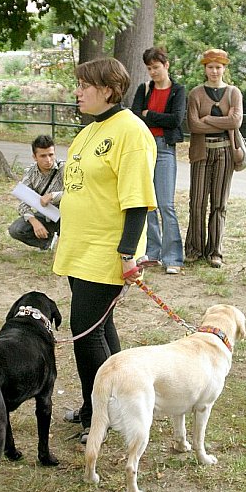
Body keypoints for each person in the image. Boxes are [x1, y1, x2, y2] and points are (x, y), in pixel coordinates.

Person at [53, 57, 157, 443]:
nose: (77, 91)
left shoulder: (131, 132)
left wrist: (128, 254)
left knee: (86, 333)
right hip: (80, 248)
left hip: (107, 250)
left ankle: (101, 414)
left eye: (84, 85)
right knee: (100, 328)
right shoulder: (90, 130)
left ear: (109, 90)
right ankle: (104, 404)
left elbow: (137, 201)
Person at [185, 48, 243, 268]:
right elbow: (193, 125)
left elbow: (235, 121)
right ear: (205, 68)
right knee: (197, 201)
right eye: (210, 67)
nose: (214, 71)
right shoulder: (196, 94)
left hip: (225, 151)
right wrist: (219, 120)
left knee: (219, 203)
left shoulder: (233, 93)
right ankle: (194, 248)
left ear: (224, 68)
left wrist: (207, 118)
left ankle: (215, 251)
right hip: (201, 151)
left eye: (218, 67)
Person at [131, 46, 186, 274]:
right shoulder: (144, 89)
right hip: (144, 147)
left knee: (166, 204)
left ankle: (173, 257)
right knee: (148, 204)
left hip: (164, 149)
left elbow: (176, 119)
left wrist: (149, 115)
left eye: (156, 67)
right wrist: (150, 117)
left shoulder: (178, 90)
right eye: (149, 68)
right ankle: (152, 251)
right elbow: (134, 115)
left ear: (166, 65)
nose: (153, 72)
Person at [8, 134, 64, 250]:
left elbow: (76, 193)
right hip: (45, 214)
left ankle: (60, 241)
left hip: (66, 214)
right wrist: (34, 221)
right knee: (16, 230)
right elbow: (23, 201)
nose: (48, 160)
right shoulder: (30, 172)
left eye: (51, 155)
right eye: (43, 156)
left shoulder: (64, 168)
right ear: (34, 157)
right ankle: (48, 244)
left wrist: (54, 195)